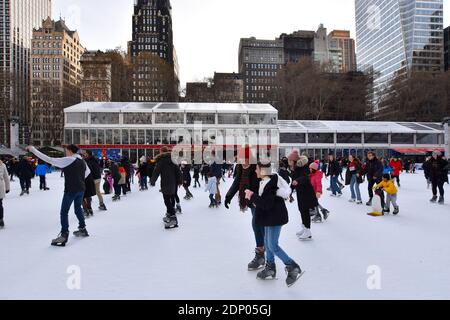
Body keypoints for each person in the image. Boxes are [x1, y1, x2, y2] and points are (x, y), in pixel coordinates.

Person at [244, 162, 303, 287]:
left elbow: (267, 204)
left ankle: (292, 266)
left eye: (257, 169)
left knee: (272, 245)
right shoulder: (265, 182)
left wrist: (252, 196)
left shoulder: (271, 185)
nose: (255, 171)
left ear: (263, 171)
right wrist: (255, 200)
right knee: (266, 242)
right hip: (268, 217)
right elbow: (265, 203)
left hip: (275, 218)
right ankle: (270, 267)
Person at [27, 145, 90, 247]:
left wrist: (33, 149)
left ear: (69, 150)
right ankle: (82, 228)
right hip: (81, 189)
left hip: (71, 190)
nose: (65, 152)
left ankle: (64, 235)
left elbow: (48, 159)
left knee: (64, 212)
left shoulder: (68, 159)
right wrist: (78, 178)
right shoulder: (82, 160)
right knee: (78, 208)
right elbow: (87, 172)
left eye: (66, 150)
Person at [224, 145, 264, 271]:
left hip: (260, 201)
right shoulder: (241, 167)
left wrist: (261, 199)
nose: (243, 162)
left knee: (257, 224)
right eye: (240, 160)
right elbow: (237, 182)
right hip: (251, 201)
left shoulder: (258, 167)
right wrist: (228, 196)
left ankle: (262, 252)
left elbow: (267, 183)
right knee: (258, 225)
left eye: (245, 159)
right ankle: (264, 249)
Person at [150, 146, 182, 229]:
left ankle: (173, 218)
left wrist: (152, 181)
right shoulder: (173, 160)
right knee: (171, 199)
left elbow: (156, 171)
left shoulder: (162, 161)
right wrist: (179, 181)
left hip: (166, 183)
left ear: (161, 152)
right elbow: (178, 171)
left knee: (167, 200)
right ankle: (169, 215)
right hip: (173, 183)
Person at [290, 154, 318, 241]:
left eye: (291, 160)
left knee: (305, 211)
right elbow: (293, 180)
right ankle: (305, 228)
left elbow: (305, 178)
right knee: (302, 210)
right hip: (300, 192)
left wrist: (297, 181)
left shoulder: (304, 167)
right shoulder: (296, 168)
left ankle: (308, 231)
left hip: (306, 193)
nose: (289, 162)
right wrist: (289, 192)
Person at [0, 158, 11, 228]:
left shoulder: (2, 165)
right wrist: (7, 187)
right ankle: (1, 219)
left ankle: (0, 219)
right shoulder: (2, 165)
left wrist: (7, 187)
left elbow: (6, 177)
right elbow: (6, 177)